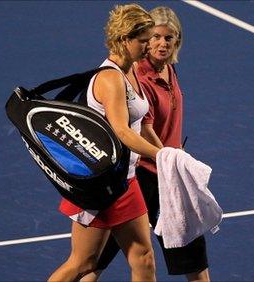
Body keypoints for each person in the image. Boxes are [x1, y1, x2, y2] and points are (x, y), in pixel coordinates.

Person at [81, 6, 211, 282]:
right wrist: (168, 156)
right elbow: (139, 128)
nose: (161, 43)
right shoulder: (132, 77)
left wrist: (172, 158)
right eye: (154, 38)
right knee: (88, 262)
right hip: (143, 175)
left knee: (179, 254)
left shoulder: (169, 70)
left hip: (163, 172)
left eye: (169, 38)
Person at [47, 3, 160, 281]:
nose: (149, 47)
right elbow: (122, 131)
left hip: (126, 181)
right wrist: (164, 157)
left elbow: (140, 124)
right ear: (124, 39)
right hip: (101, 186)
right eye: (143, 41)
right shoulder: (110, 78)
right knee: (82, 263)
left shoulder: (131, 71)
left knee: (143, 258)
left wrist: (167, 152)